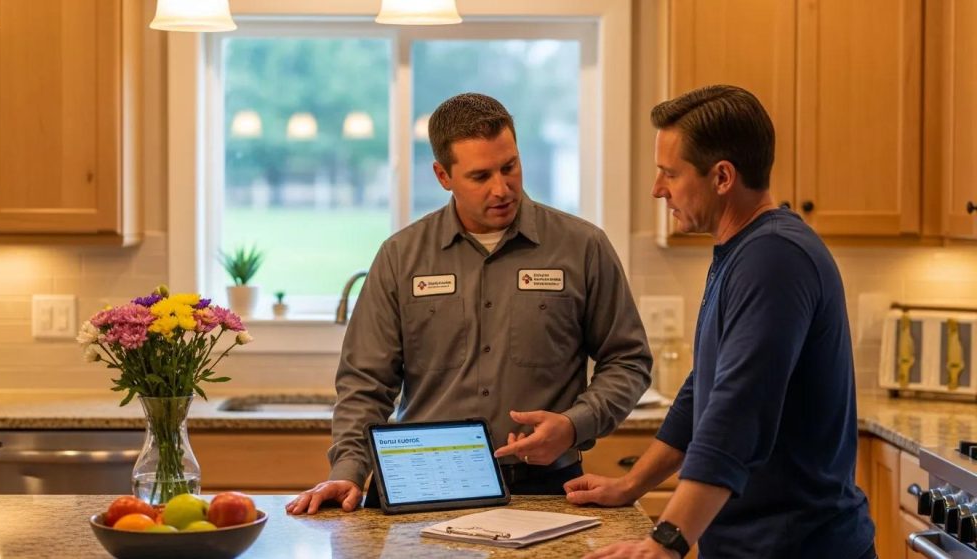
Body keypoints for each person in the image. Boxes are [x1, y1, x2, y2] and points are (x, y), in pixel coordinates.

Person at [286, 92, 653, 515]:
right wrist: (348, 470)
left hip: (546, 486)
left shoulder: (582, 246)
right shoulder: (401, 256)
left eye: (510, 167)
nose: (502, 189)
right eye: (480, 176)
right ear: (443, 175)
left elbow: (628, 360)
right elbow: (365, 383)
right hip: (422, 484)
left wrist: (575, 425)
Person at [565, 85, 876, 559]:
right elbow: (703, 392)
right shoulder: (744, 251)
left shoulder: (774, 258)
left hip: (797, 547)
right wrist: (631, 485)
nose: (657, 188)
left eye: (670, 173)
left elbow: (737, 410)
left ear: (723, 177)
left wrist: (665, 541)